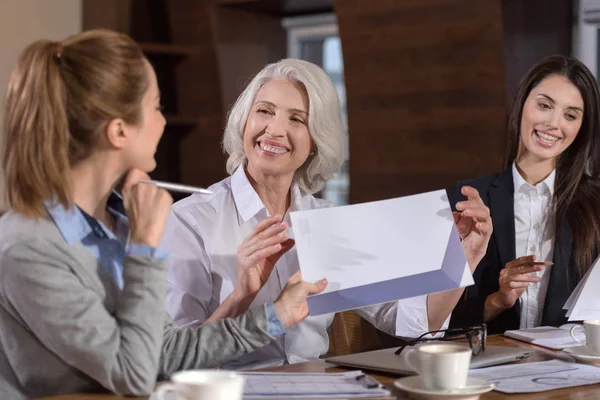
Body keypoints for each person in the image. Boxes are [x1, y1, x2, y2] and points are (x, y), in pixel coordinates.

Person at [0, 29, 327, 399]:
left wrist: (278, 313)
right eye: (156, 107)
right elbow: (134, 375)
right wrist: (145, 249)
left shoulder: (114, 225)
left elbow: (166, 353)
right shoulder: (28, 246)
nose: (163, 121)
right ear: (120, 131)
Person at [162, 58, 493, 369]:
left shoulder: (328, 221)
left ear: (316, 142)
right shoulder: (190, 220)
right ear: (244, 121)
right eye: (264, 111)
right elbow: (177, 357)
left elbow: (408, 321)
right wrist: (240, 296)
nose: (275, 130)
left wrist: (460, 261)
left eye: (296, 119)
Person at [448, 54, 600, 335]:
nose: (554, 124)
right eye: (544, 105)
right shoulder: (467, 199)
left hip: (571, 369)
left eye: (570, 115)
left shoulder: (595, 205)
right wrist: (497, 300)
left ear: (581, 128)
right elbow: (433, 321)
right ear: (521, 104)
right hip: (487, 366)